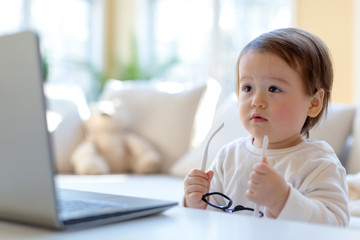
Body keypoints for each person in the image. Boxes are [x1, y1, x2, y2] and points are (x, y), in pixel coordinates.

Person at [183, 28, 350, 226]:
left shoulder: (319, 163)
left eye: (273, 89)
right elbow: (210, 218)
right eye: (248, 88)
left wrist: (283, 200)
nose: (256, 101)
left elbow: (335, 224)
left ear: (313, 103)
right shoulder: (229, 155)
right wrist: (195, 201)